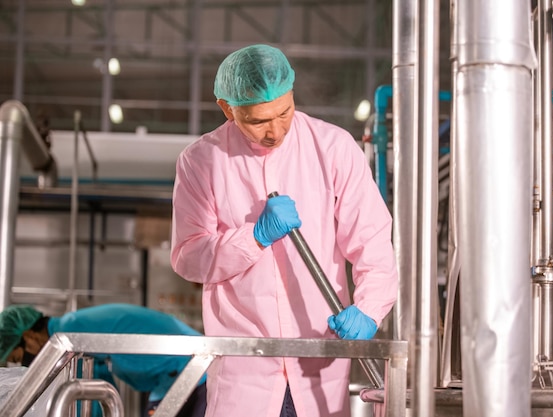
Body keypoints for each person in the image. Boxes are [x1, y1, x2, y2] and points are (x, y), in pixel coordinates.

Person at [170, 44, 398, 417]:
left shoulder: (334, 148)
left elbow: (372, 242)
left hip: (319, 361)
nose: (274, 131)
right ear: (227, 108)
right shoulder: (201, 162)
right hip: (244, 371)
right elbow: (188, 257)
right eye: (257, 121)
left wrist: (370, 309)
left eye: (284, 113)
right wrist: (253, 237)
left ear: (293, 94)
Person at [0, 303, 207, 417]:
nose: (26, 362)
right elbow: (97, 385)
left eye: (19, 357)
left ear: (28, 336)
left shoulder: (71, 334)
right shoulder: (73, 328)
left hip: (190, 371)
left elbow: (83, 392)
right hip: (175, 375)